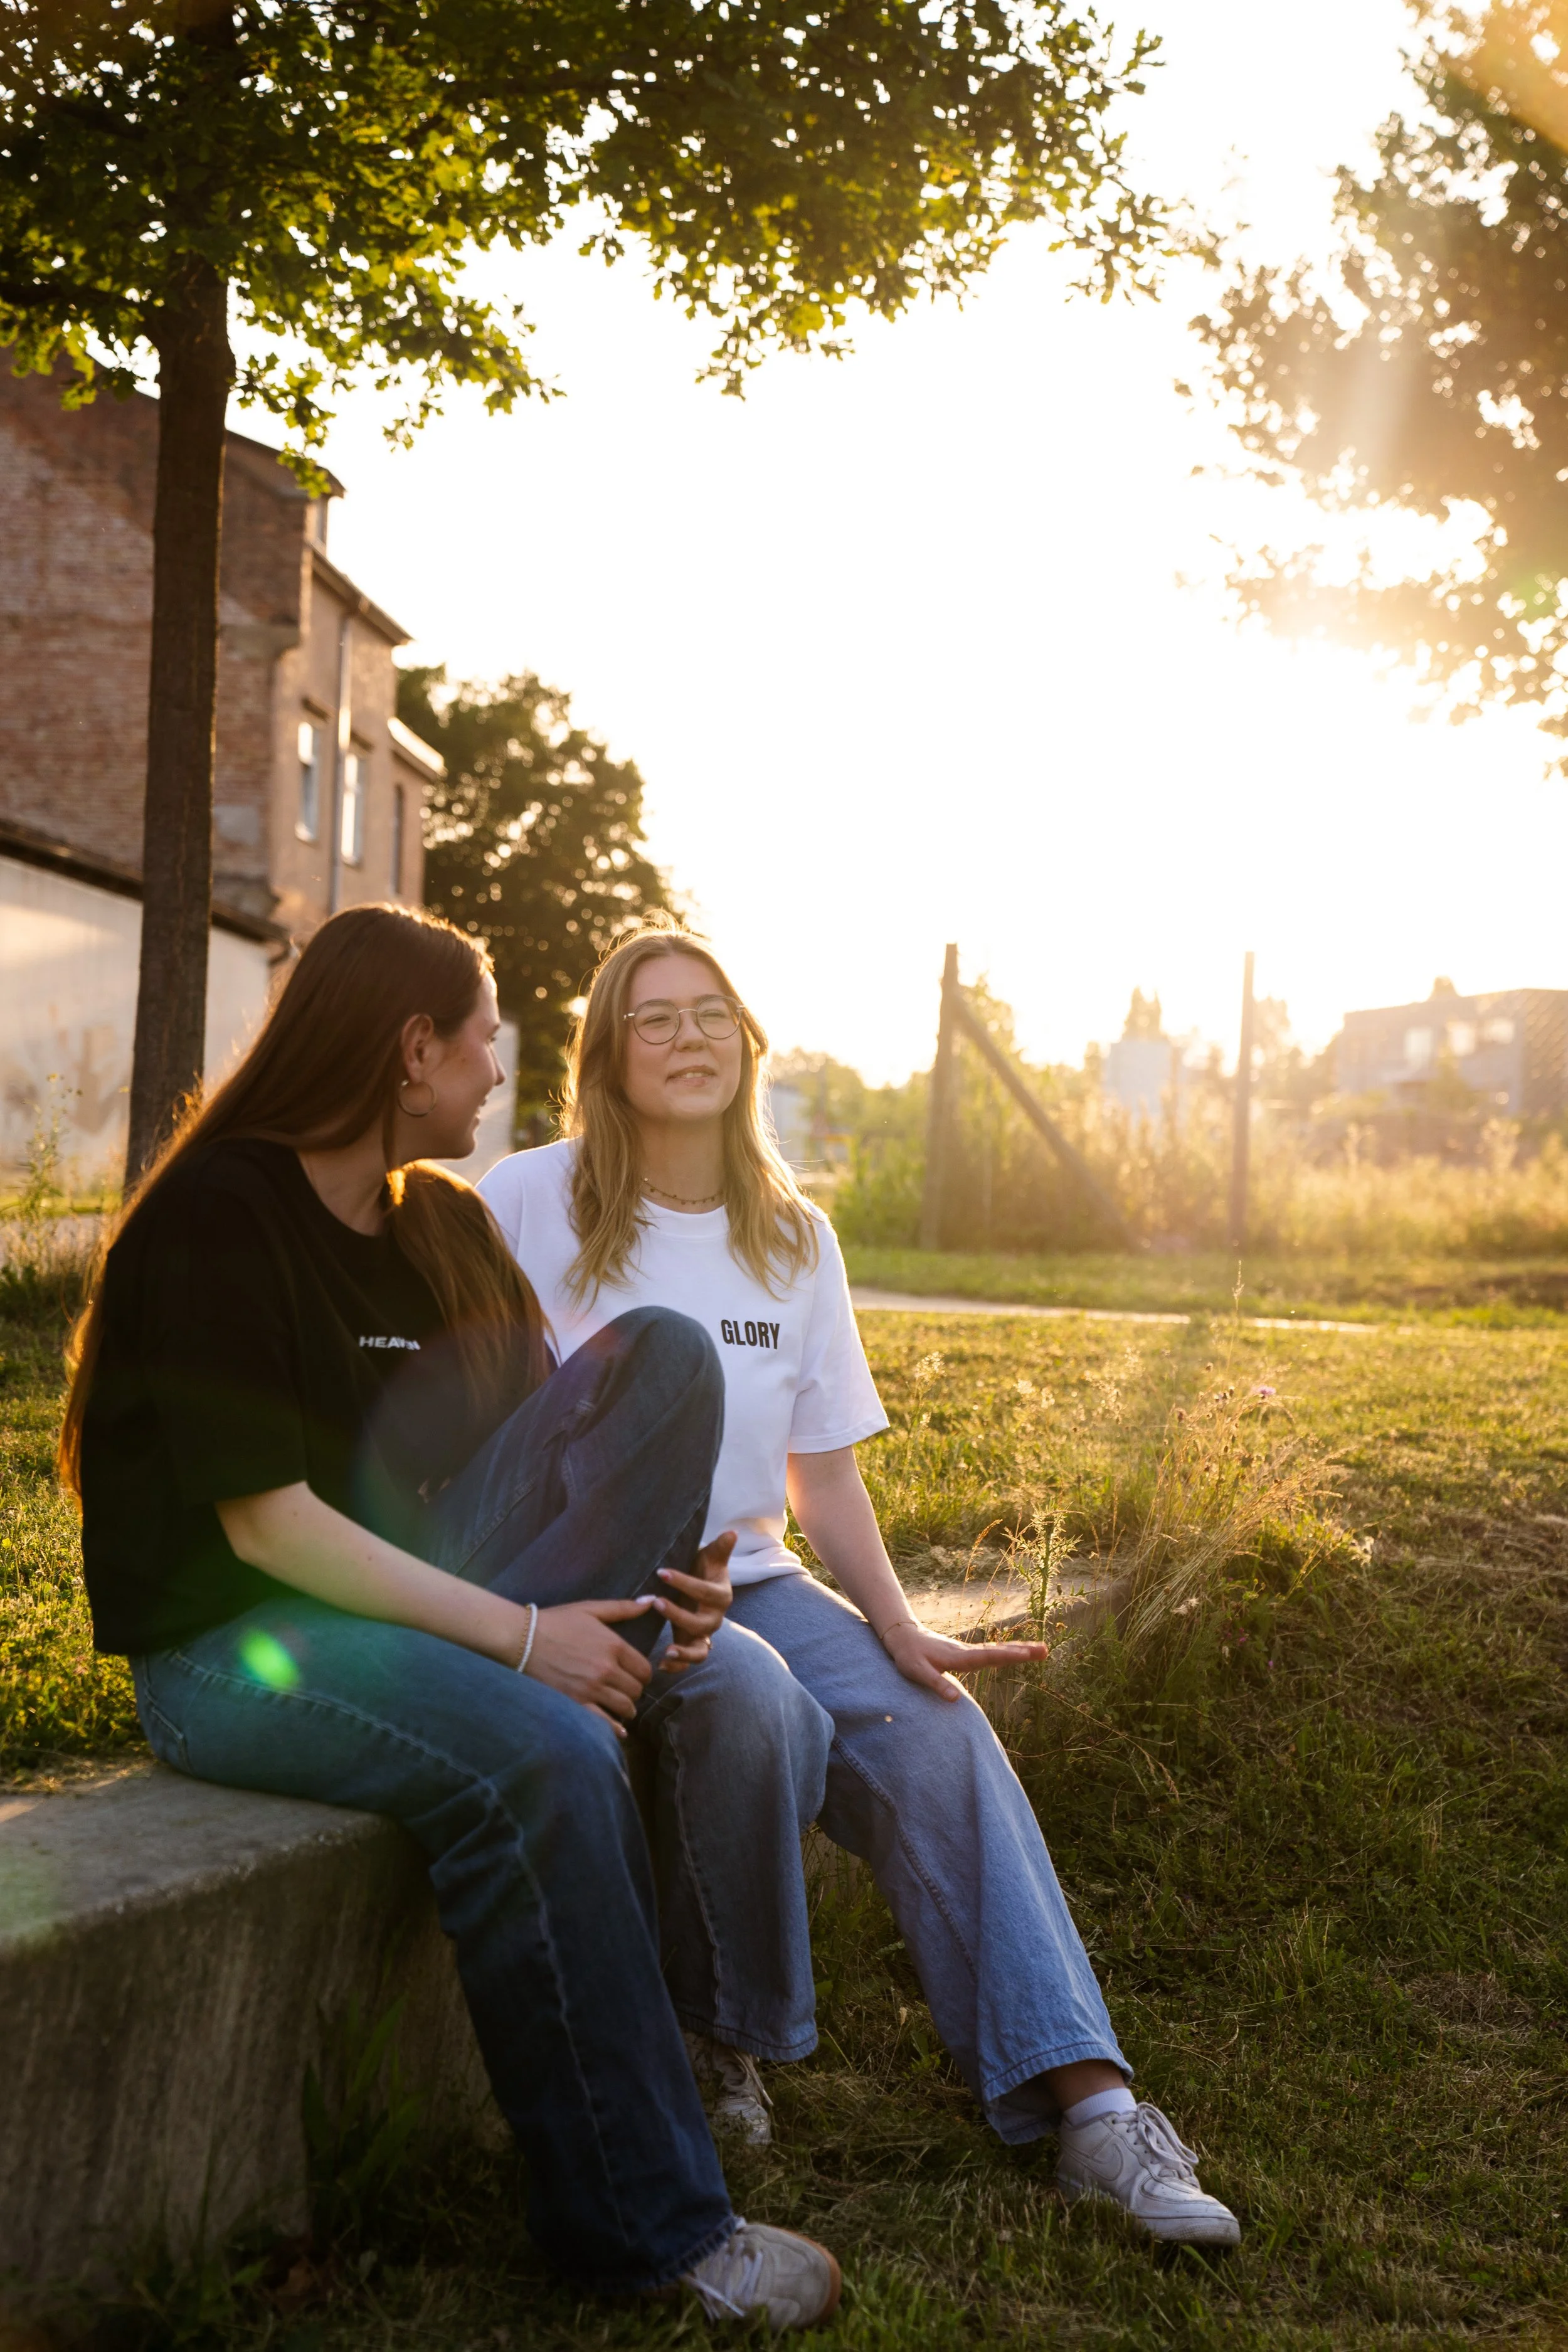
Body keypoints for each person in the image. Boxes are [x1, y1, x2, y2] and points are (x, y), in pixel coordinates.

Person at [63, 903, 843, 2329]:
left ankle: (636, 1670)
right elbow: (271, 1528)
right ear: (409, 1049)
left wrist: (686, 1577)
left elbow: (563, 1445)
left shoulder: (435, 1227)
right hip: (240, 1646)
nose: (499, 1067)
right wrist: (525, 1645)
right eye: (482, 1035)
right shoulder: (221, 1213)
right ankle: (648, 2233)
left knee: (662, 1358)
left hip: (403, 1599)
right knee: (541, 1759)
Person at [479, 920, 1242, 2248]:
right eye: (650, 1018)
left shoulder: (792, 1237)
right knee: (753, 1702)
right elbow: (475, 1437)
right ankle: (723, 2048)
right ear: (603, 1054)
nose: (685, 1038)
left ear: (748, 1042)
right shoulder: (525, 1201)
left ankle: (1095, 2111)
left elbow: (818, 1479)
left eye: (709, 1012)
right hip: (587, 1586)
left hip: (751, 1580)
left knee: (939, 1734)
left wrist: (897, 1627)